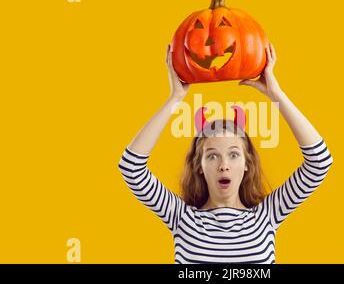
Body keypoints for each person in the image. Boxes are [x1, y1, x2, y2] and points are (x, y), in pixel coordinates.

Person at [118, 43, 333, 263]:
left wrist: (275, 94)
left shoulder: (267, 216)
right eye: (212, 155)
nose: (224, 165)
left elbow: (319, 162)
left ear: (247, 163)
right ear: (199, 166)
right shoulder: (181, 218)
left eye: (233, 154)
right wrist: (175, 99)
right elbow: (131, 167)